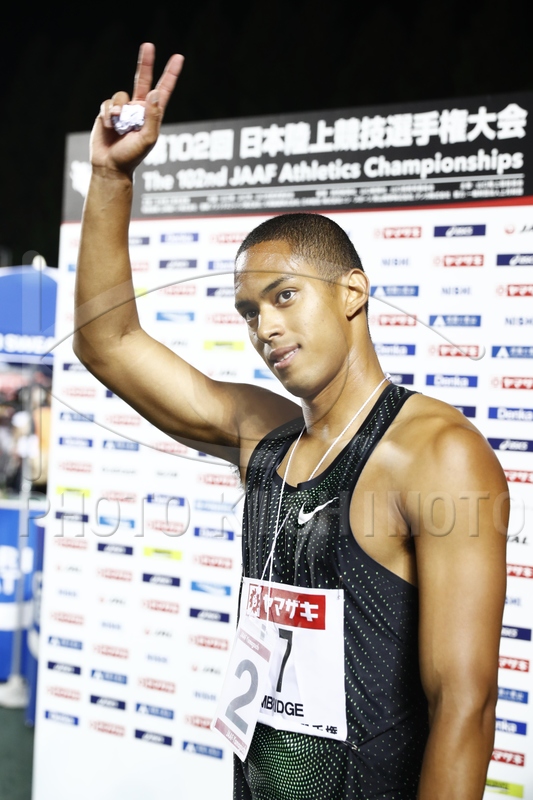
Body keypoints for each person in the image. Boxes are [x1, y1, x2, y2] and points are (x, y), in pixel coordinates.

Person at [74, 43, 508, 800]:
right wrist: (111, 179)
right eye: (248, 311)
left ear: (352, 293)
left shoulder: (436, 453)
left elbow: (463, 708)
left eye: (283, 296)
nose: (265, 326)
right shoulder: (264, 435)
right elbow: (107, 343)